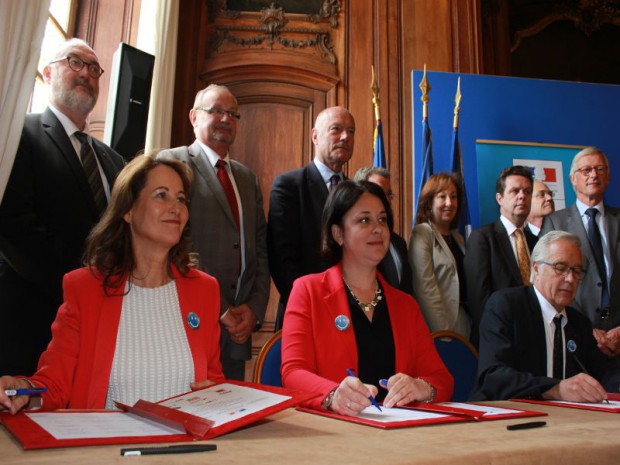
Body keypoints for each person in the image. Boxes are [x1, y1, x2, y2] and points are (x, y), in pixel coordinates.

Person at [0, 153, 224, 414]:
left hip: (186, 450)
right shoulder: (85, 288)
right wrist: (23, 391)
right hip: (108, 450)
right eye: (161, 195)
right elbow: (54, 385)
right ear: (128, 210)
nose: (176, 207)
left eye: (181, 199)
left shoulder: (204, 289)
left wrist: (216, 397)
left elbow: (214, 381)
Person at [0, 38, 125, 376]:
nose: (86, 73)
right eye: (74, 62)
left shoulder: (113, 160)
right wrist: (80, 285)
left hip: (101, 324)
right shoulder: (17, 135)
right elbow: (14, 225)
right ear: (46, 72)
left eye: (94, 69)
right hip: (32, 322)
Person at [281, 181, 453, 415]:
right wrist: (333, 395)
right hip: (336, 432)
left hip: (398, 434)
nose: (378, 229)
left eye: (382, 219)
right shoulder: (308, 291)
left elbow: (442, 379)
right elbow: (293, 372)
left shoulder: (406, 305)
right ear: (338, 233)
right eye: (364, 220)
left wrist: (421, 387)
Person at [159, 84, 269, 380]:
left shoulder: (247, 178)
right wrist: (221, 309)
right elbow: (178, 243)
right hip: (189, 316)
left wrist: (254, 309)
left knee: (230, 412)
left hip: (238, 330)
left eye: (232, 114)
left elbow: (259, 248)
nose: (226, 119)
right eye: (217, 111)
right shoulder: (172, 163)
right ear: (194, 117)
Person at [471, 231, 620, 401]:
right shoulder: (506, 306)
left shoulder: (578, 323)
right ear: (536, 268)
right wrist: (555, 389)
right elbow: (493, 376)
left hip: (564, 420)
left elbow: (605, 373)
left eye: (577, 271)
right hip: (501, 415)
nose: (570, 279)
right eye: (560, 268)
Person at [269, 106, 356, 330]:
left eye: (351, 131)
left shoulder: (356, 192)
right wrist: (314, 306)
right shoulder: (288, 186)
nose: (345, 137)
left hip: (350, 316)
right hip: (304, 315)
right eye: (336, 129)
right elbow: (282, 260)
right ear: (315, 136)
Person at [541, 147, 620, 357]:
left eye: (599, 169)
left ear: (609, 177)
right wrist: (586, 328)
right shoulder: (554, 222)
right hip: (576, 335)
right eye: (586, 170)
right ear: (573, 179)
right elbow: (548, 283)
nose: (593, 175)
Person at [464, 165, 537, 344]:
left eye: (527, 191)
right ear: (499, 198)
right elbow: (479, 300)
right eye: (515, 191)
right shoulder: (482, 238)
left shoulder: (537, 242)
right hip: (498, 340)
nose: (522, 196)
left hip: (534, 341)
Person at [409, 173, 470, 338]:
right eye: (442, 196)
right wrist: (444, 333)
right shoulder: (422, 233)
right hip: (438, 328)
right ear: (429, 203)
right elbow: (425, 288)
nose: (449, 203)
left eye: (453, 196)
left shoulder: (458, 238)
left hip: (463, 322)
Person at [354, 166, 413, 295]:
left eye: (388, 194)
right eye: (378, 192)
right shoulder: (354, 242)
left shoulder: (399, 243)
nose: (386, 200)